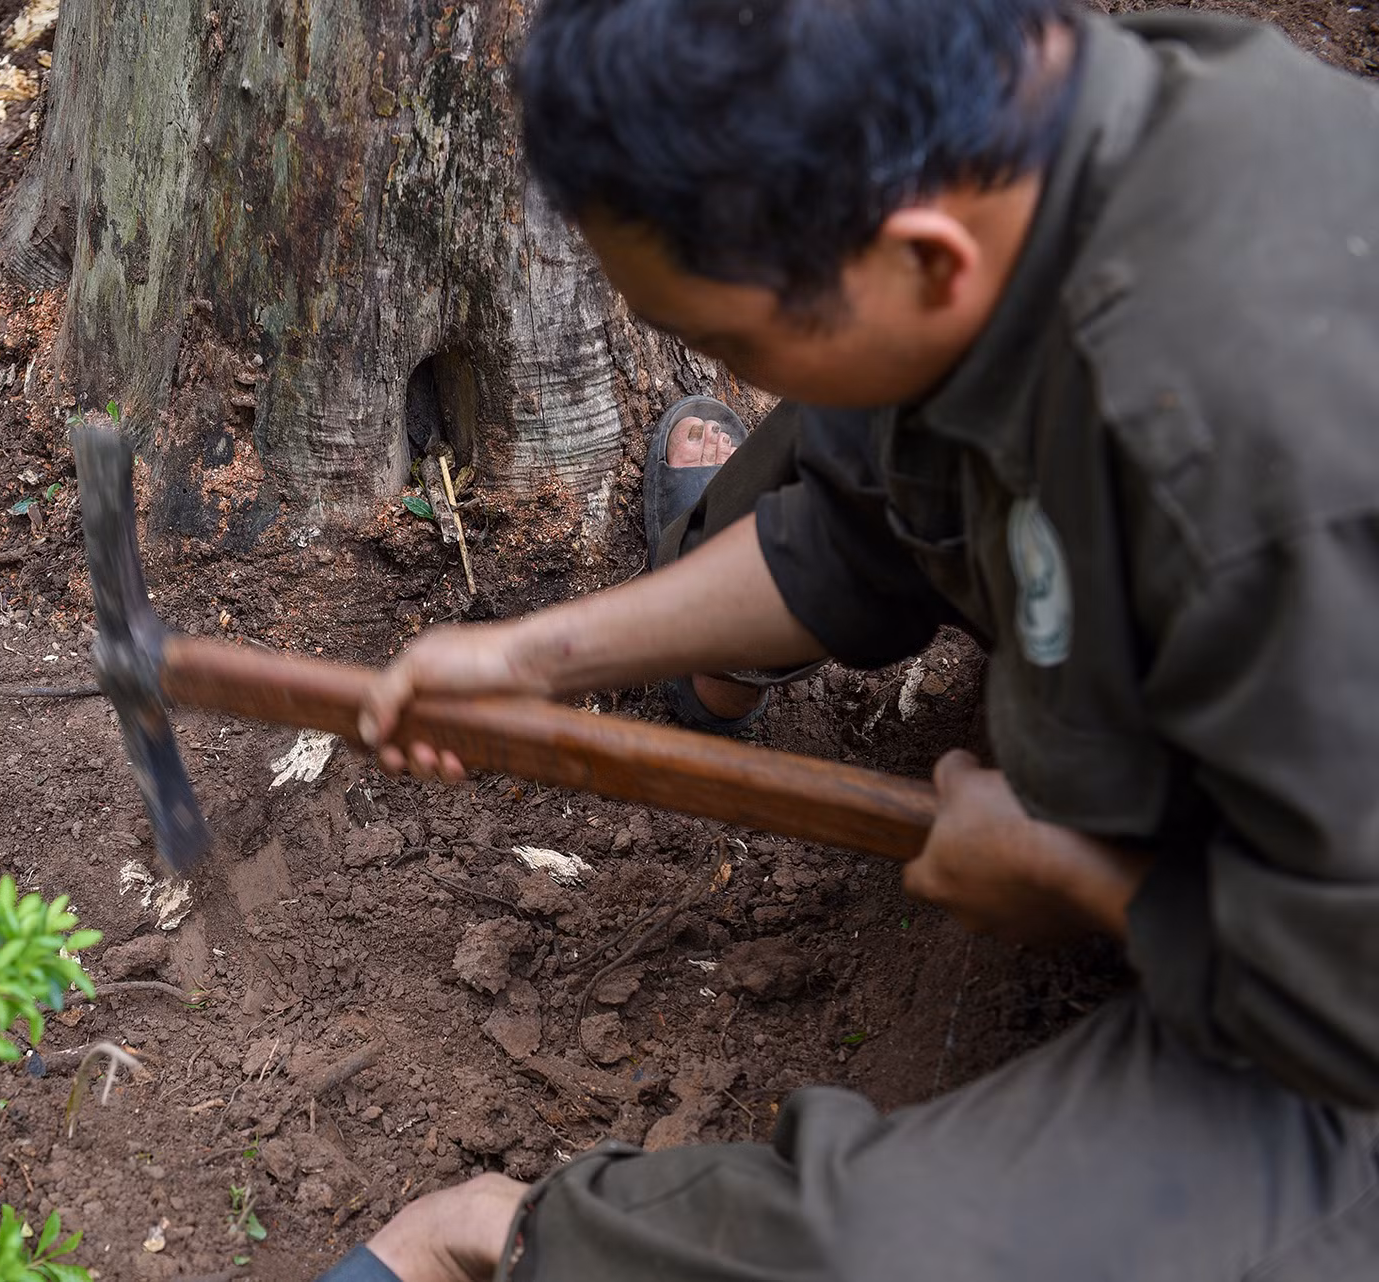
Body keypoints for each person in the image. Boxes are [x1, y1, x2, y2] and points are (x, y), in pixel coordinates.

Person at [315, 1, 1379, 1279]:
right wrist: (533, 655)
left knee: (874, 1250)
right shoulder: (1051, 128)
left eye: (726, 341)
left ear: (930, 259)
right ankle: (724, 652)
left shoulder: (1260, 481)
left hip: (1336, 1013)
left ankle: (501, 1239)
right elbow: (863, 508)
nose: (717, 359)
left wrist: (1091, 885)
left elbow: (1347, 1004)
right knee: (849, 425)